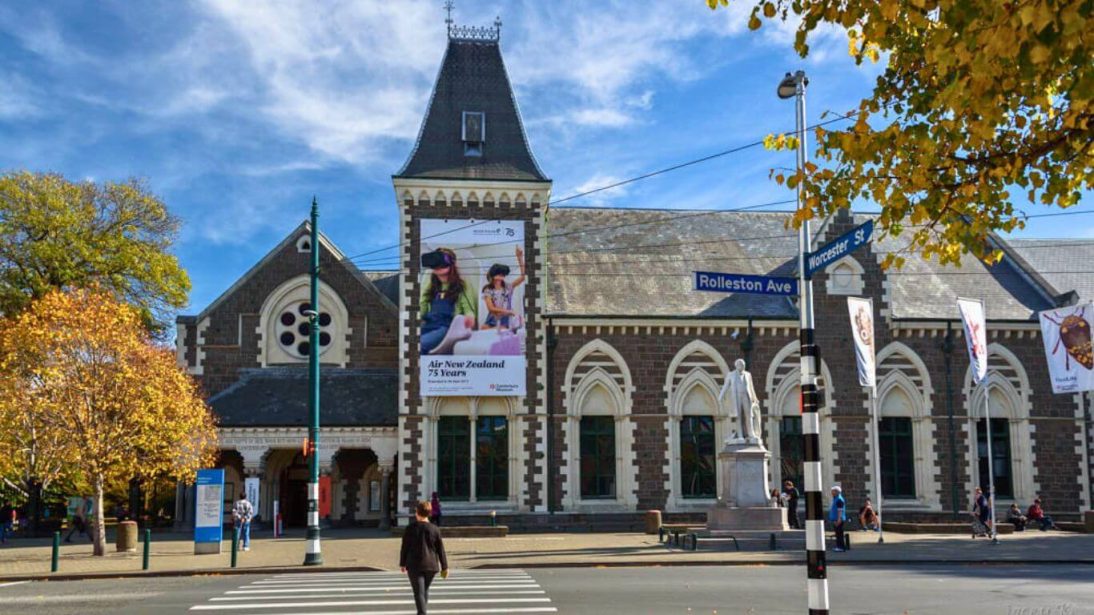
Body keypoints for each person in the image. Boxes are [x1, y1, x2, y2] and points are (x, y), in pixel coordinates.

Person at [419, 248, 477, 355]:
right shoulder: (431, 284)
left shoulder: (461, 285)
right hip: (429, 324)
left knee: (420, 344)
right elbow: (422, 305)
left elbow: (468, 309)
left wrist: (470, 318)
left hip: (447, 328)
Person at [400, 500, 449, 615]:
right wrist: (445, 567)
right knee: (423, 590)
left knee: (418, 592)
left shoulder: (410, 528)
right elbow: (440, 549)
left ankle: (422, 613)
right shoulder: (435, 529)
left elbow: (405, 547)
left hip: (414, 565)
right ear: (429, 513)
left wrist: (402, 563)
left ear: (417, 512)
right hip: (431, 565)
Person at [481, 246, 526, 330]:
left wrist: (520, 257)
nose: (501, 277)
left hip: (505, 320)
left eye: (503, 274)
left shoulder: (508, 287)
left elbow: (523, 277)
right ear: (493, 275)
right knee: (485, 329)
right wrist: (508, 311)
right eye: (499, 274)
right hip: (492, 319)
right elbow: (491, 308)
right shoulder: (488, 290)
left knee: (503, 331)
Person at [829, 486, 846, 552]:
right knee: (838, 533)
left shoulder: (839, 499)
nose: (831, 492)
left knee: (839, 534)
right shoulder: (836, 498)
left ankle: (840, 547)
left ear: (836, 492)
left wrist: (838, 519)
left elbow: (840, 510)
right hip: (836, 519)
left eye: (833, 491)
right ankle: (840, 546)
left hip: (838, 519)